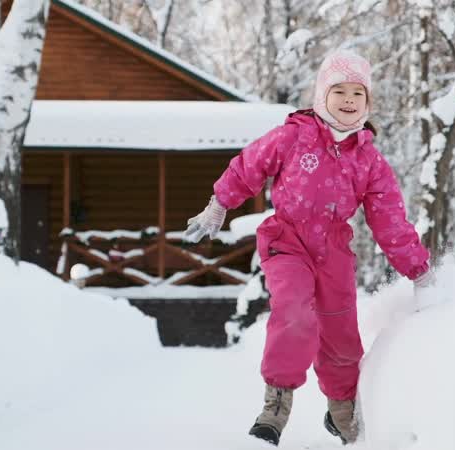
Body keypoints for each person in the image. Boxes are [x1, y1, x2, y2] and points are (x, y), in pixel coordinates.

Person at [184, 50, 435, 446]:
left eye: (358, 93)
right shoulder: (293, 136)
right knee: (295, 311)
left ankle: (342, 411)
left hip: (334, 252)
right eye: (340, 91)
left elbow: (390, 220)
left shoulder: (369, 160)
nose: (349, 100)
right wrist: (219, 204)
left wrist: (418, 269)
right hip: (287, 240)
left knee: (341, 334)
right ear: (322, 95)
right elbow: (249, 165)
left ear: (367, 102)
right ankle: (276, 406)